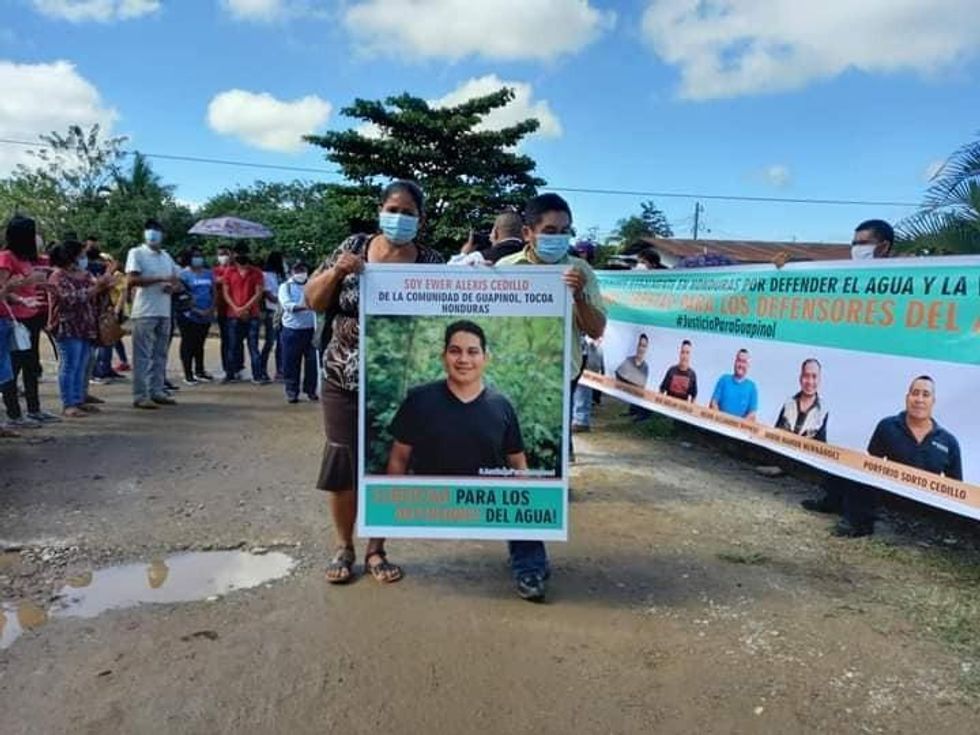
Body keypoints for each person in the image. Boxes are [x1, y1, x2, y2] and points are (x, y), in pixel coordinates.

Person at [305, 180, 444, 586]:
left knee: (390, 462)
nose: (400, 219)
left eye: (409, 213)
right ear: (380, 209)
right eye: (394, 210)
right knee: (343, 461)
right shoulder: (353, 247)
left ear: (421, 218)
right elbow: (314, 300)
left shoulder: (432, 262)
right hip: (342, 376)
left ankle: (376, 547)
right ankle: (344, 546)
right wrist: (337, 271)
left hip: (402, 383)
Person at [496, 192, 606, 602]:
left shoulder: (580, 271)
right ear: (528, 233)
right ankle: (521, 550)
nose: (558, 238)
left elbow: (596, 330)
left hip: (558, 385)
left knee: (536, 470)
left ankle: (529, 561)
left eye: (564, 232)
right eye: (549, 231)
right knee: (510, 468)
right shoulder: (504, 270)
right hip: (509, 383)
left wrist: (576, 296)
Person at [801, 219, 895, 537]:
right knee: (832, 439)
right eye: (854, 242)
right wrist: (783, 270)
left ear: (883, 247)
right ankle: (833, 497)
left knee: (860, 449)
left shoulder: (900, 279)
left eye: (863, 242)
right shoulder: (849, 276)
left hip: (873, 382)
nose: (856, 249)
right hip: (843, 377)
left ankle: (860, 518)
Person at [387, 321, 527, 477]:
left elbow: (518, 464)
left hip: (486, 500)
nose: (463, 359)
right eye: (455, 351)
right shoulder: (418, 400)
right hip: (430, 499)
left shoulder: (502, 407)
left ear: (485, 358)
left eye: (472, 352)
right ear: (443, 356)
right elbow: (398, 459)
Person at [0, 215, 61, 428]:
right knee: (10, 369)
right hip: (12, 319)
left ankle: (33, 409)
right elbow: (2, 290)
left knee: (31, 365)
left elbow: (24, 286)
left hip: (30, 316)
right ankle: (14, 414)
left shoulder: (26, 259)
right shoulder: (7, 258)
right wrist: (25, 286)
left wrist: (43, 287)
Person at [47, 240, 115, 417]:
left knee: (82, 365)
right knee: (70, 365)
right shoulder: (58, 277)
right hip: (67, 326)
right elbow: (68, 299)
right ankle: (68, 403)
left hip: (85, 325)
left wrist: (106, 285)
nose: (84, 258)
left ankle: (78, 400)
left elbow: (97, 292)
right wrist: (97, 288)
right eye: (81, 254)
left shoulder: (84, 274)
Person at [125, 219, 181, 410]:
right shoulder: (136, 253)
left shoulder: (166, 256)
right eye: (150, 230)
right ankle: (141, 395)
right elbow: (131, 279)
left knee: (160, 354)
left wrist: (172, 287)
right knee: (142, 355)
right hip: (145, 310)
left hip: (164, 310)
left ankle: (157, 390)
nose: (153, 233)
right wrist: (160, 279)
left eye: (157, 230)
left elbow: (177, 280)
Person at [868, 376, 962, 479]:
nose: (919, 400)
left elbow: (956, 490)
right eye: (915, 393)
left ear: (933, 401)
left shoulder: (949, 443)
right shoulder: (887, 427)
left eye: (926, 395)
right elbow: (868, 470)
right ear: (907, 398)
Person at [221, 244, 266, 384]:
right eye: (237, 253)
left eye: (243, 253)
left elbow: (259, 292)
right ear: (234, 255)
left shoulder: (256, 272)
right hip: (233, 314)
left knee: (253, 346)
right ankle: (230, 373)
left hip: (252, 314)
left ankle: (257, 375)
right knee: (233, 345)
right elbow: (225, 292)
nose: (240, 256)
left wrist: (245, 308)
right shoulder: (229, 271)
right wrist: (236, 308)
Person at [278, 260, 318, 403]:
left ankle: (311, 390)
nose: (300, 273)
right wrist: (308, 305)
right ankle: (292, 391)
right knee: (290, 363)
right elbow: (289, 306)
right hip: (292, 331)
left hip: (311, 330)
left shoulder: (313, 284)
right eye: (297, 270)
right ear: (291, 272)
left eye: (302, 269)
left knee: (313, 363)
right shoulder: (285, 287)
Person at [177, 246, 216, 385]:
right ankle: (188, 373)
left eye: (200, 255)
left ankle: (200, 370)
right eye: (195, 256)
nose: (198, 258)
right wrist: (195, 310)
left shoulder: (208, 273)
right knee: (188, 343)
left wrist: (211, 308)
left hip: (206, 314)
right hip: (188, 315)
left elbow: (213, 291)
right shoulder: (183, 274)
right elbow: (182, 296)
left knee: (200, 343)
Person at [776, 359, 828, 440]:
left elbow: (821, 445)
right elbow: (775, 435)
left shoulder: (823, 411)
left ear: (819, 379)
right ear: (800, 378)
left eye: (814, 376)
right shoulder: (788, 404)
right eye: (806, 376)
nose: (810, 381)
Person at [709, 349, 758, 420]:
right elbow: (714, 402)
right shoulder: (724, 379)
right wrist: (720, 419)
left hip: (738, 429)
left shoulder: (752, 387)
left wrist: (739, 425)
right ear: (735, 362)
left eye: (744, 362)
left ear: (748, 365)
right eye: (739, 361)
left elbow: (752, 413)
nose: (741, 365)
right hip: (718, 424)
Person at [260, 251, 284, 381]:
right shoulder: (266, 274)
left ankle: (280, 370)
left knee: (281, 343)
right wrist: (281, 300)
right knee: (270, 341)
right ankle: (262, 369)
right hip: (272, 310)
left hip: (283, 310)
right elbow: (268, 293)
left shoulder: (281, 274)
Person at [213, 245, 234, 379]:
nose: (223, 257)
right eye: (220, 254)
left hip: (235, 309)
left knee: (235, 340)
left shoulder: (234, 270)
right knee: (225, 340)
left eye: (225, 254)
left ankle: (236, 367)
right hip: (222, 308)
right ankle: (227, 368)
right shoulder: (214, 271)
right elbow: (213, 283)